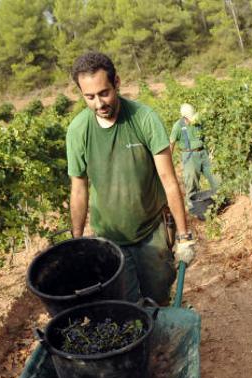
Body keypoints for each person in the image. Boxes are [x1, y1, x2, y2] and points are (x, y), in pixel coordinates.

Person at [66, 52, 196, 305]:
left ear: (117, 82)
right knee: (125, 305)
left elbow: (169, 180)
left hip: (152, 231)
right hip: (109, 238)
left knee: (158, 297)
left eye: (104, 93)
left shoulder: (144, 119)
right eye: (89, 97)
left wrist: (183, 236)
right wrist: (76, 242)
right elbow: (79, 190)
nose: (98, 103)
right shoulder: (78, 130)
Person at [169, 103, 219, 205]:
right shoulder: (178, 126)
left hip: (204, 153)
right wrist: (168, 162)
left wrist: (211, 150)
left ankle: (221, 199)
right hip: (189, 156)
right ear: (184, 117)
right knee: (191, 183)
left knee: (216, 178)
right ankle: (194, 207)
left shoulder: (198, 122)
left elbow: (207, 136)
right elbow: (171, 143)